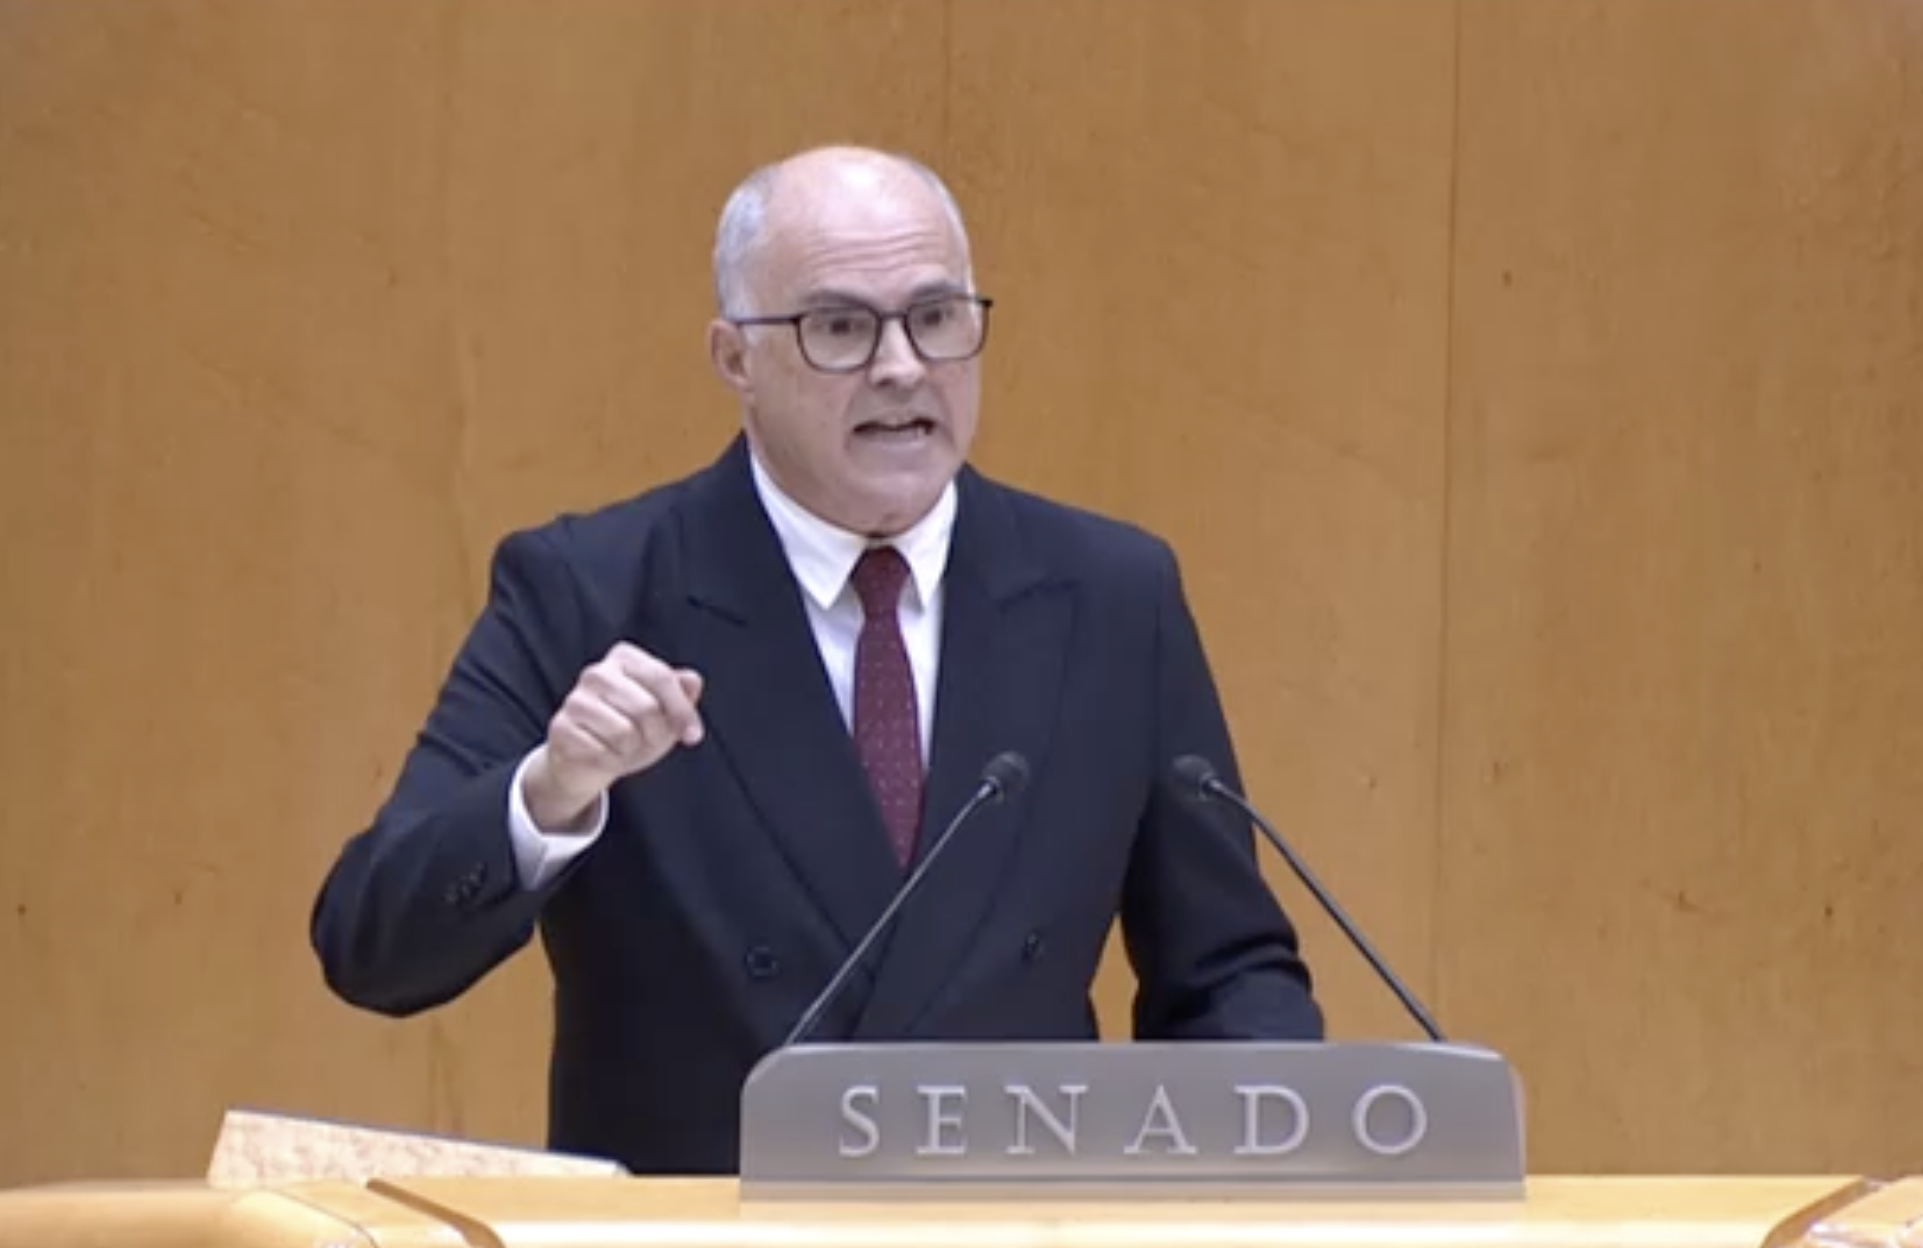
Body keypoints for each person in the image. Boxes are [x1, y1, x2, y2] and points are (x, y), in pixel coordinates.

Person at [308, 144, 1323, 1175]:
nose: (902, 367)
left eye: (937, 317)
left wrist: (1281, 1167)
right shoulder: (591, 590)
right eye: (841, 327)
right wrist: (549, 795)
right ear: (734, 359)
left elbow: (1224, 973)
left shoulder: (1111, 597)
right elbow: (371, 943)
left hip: (1011, 1223)